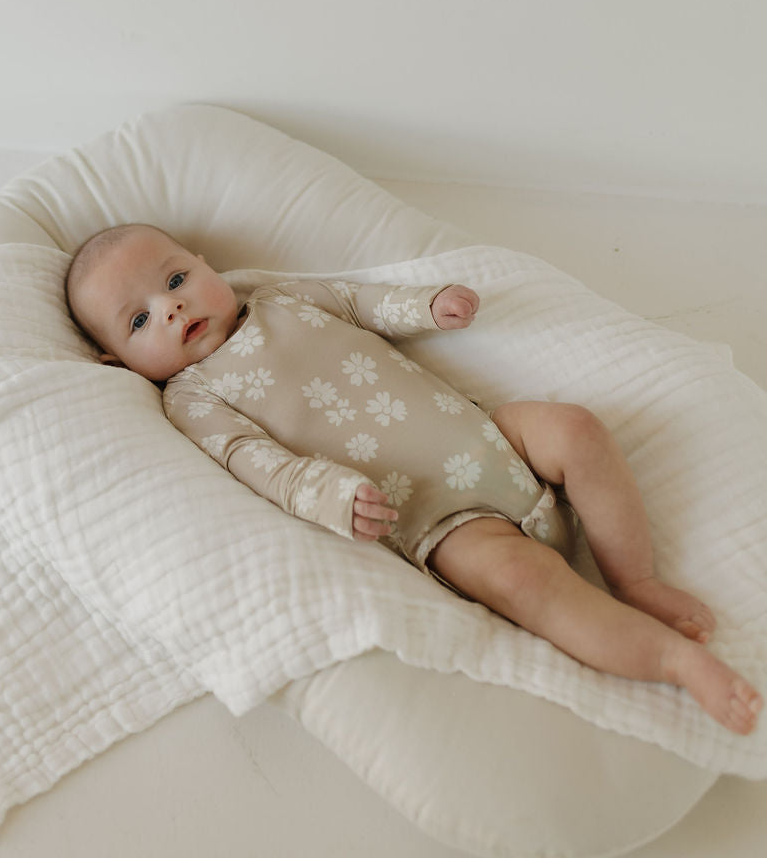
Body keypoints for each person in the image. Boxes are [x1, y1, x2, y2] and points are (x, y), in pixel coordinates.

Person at [64, 222, 763, 736]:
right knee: (528, 584)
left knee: (576, 428)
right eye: (140, 319)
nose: (173, 307)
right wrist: (336, 498)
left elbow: (360, 302)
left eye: (176, 280)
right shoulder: (193, 398)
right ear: (119, 361)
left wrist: (427, 306)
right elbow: (260, 465)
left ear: (203, 262)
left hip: (488, 435)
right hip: (437, 516)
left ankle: (634, 578)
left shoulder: (280, 299)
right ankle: (674, 663)